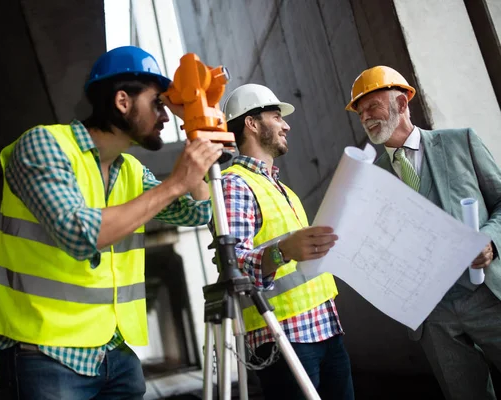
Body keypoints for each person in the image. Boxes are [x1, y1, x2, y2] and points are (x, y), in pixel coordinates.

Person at [0, 45, 223, 399]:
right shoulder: (44, 145)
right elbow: (80, 234)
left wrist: (195, 128)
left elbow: (198, 211)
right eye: (159, 104)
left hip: (114, 353)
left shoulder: (131, 171)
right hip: (45, 352)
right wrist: (175, 183)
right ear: (123, 102)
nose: (165, 116)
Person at [346, 65, 501, 400]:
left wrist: (489, 238)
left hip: (487, 295)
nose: (366, 117)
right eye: (360, 113)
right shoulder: (370, 179)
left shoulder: (461, 142)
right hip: (432, 315)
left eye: (373, 106)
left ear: (402, 104)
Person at [215, 83, 354, 399]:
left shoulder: (283, 190)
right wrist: (281, 252)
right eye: (276, 116)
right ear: (252, 123)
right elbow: (233, 267)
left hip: (325, 329)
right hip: (283, 339)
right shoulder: (234, 185)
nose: (286, 125)